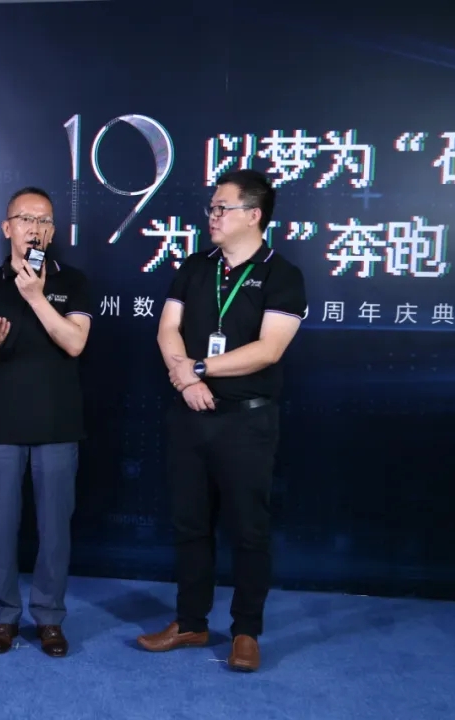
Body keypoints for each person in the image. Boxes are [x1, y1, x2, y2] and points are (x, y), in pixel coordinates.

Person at [136, 169, 307, 671]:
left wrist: (200, 368)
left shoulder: (282, 275)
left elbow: (269, 349)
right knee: (190, 524)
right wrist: (186, 380)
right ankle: (191, 622)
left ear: (253, 215)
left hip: (246, 423)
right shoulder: (195, 266)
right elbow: (168, 328)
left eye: (221, 208)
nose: (211, 216)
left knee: (249, 530)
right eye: (211, 208)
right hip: (190, 415)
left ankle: (246, 632)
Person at [0, 186, 93, 657]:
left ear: (52, 232)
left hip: (58, 423)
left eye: (44, 221)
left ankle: (49, 618)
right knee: (0, 526)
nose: (34, 228)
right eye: (25, 219)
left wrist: (36, 296)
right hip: (0, 424)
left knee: (55, 529)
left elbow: (75, 343)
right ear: (7, 228)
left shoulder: (72, 282)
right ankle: (3, 616)